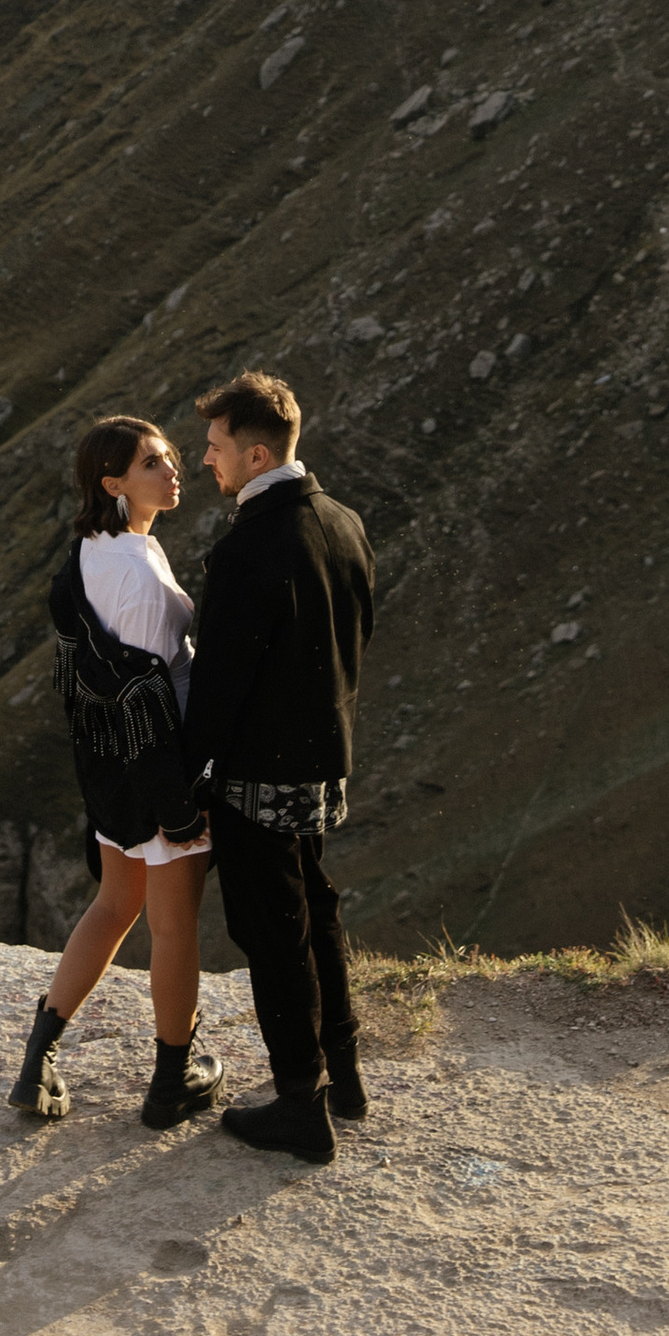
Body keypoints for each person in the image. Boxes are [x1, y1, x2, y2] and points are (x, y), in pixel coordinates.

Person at [8, 414, 226, 1132]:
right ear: (113, 484)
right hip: (157, 770)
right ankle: (173, 1079)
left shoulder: (96, 550)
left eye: (168, 458)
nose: (172, 472)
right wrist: (178, 806)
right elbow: (148, 700)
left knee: (114, 905)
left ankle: (38, 1054)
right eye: (151, 464)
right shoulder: (133, 571)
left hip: (106, 768)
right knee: (173, 928)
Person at [183, 368, 376, 1168]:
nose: (205, 460)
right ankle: (347, 1076)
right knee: (318, 912)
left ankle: (302, 1103)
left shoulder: (249, 550)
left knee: (274, 932)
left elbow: (220, 683)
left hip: (259, 772)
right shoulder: (344, 523)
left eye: (216, 446)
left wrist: (183, 775)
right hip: (325, 761)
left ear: (258, 454)